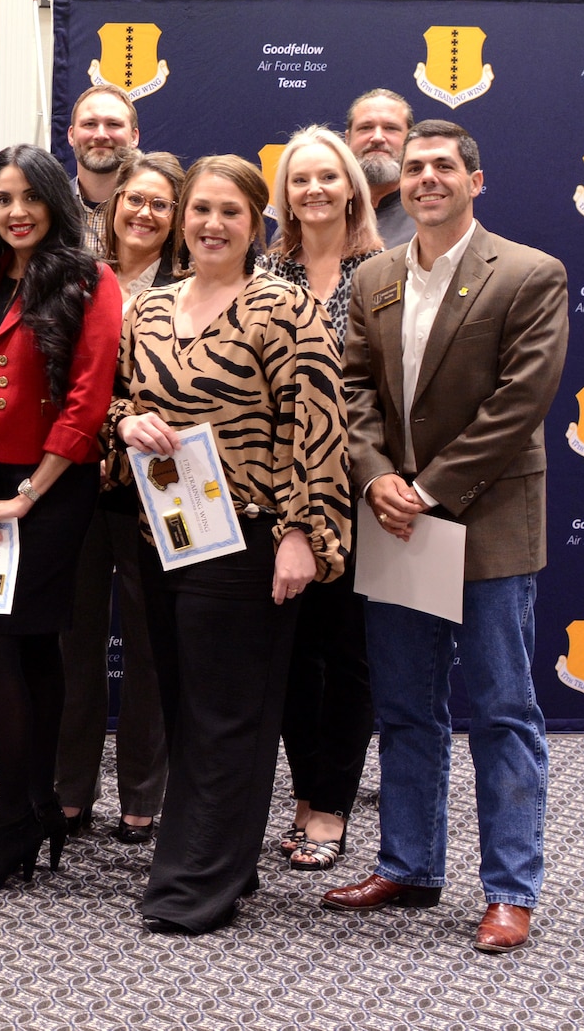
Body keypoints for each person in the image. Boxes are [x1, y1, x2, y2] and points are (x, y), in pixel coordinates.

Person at [323, 120, 567, 956]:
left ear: (476, 179)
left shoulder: (531, 273)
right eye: (416, 166)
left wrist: (427, 488)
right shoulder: (376, 276)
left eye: (443, 167)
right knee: (404, 707)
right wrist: (375, 474)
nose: (427, 177)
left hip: (485, 519)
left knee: (502, 709)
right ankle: (410, 863)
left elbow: (520, 402)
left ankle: (509, 889)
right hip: (394, 518)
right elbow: (352, 386)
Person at [111, 154, 349, 934]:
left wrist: (302, 535)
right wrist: (125, 423)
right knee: (185, 705)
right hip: (162, 532)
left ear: (257, 224)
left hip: (247, 537)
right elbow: (120, 397)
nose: (211, 224)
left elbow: (317, 427)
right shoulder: (149, 308)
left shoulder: (282, 307)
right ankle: (226, 855)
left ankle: (194, 881)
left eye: (230, 212)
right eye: (200, 210)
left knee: (228, 713)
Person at [0, 145, 122, 890]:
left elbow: (88, 399)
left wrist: (27, 492)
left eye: (28, 196)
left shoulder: (90, 279)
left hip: (51, 486)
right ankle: (44, 803)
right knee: (34, 648)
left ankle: (13, 815)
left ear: (54, 199)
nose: (15, 211)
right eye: (0, 198)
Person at [262, 127, 383, 870]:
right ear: (284, 195)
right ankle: (303, 789)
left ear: (350, 189)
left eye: (327, 178)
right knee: (289, 653)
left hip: (362, 494)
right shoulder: (263, 272)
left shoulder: (384, 271)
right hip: (278, 493)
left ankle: (329, 803)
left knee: (350, 653)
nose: (313, 190)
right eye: (300, 179)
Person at [55, 152, 182, 846]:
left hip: (155, 491)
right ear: (113, 205)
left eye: (161, 203)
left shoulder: (194, 287)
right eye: (134, 199)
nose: (143, 212)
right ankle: (70, 791)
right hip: (78, 483)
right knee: (74, 647)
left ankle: (141, 795)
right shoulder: (78, 279)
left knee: (149, 648)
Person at [65, 85, 141, 256]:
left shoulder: (153, 214)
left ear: (134, 137)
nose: (100, 135)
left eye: (113, 124)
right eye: (89, 124)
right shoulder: (50, 209)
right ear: (71, 135)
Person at [343, 88, 416, 249]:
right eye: (366, 127)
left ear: (410, 140)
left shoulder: (432, 222)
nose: (377, 138)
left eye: (390, 128)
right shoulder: (314, 215)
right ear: (347, 139)